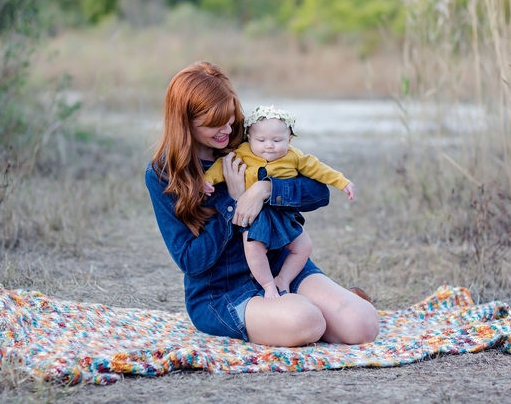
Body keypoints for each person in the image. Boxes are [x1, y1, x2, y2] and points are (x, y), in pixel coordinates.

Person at [145, 61, 379, 347]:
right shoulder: (163, 175)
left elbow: (319, 192)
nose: (226, 130)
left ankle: (321, 306)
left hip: (280, 267)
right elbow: (190, 261)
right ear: (185, 121)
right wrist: (233, 203)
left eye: (230, 118)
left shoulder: (248, 142)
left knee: (364, 326)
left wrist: (263, 189)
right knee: (306, 321)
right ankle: (305, 310)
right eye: (213, 123)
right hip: (222, 291)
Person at [203, 105, 356, 300]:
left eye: (277, 140)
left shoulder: (295, 157)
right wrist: (207, 180)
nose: (269, 145)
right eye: (261, 140)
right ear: (249, 138)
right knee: (253, 248)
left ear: (289, 139)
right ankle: (268, 285)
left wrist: (342, 182)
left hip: (282, 214)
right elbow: (219, 167)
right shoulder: (242, 152)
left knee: (304, 246)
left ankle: (283, 280)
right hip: (255, 215)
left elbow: (319, 170)